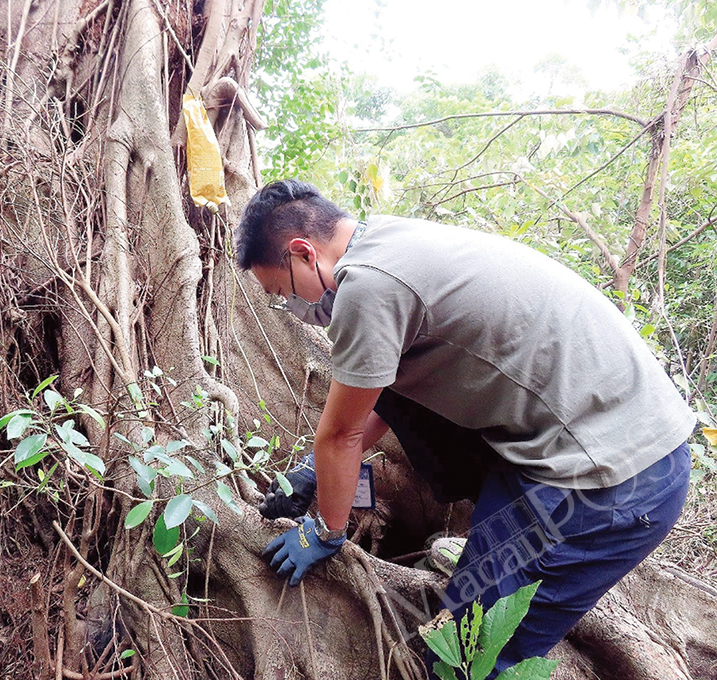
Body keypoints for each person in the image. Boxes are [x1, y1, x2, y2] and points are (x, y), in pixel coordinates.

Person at [234, 179, 696, 677]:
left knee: (464, 653)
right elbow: (389, 392)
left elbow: (340, 435)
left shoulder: (367, 287)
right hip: (612, 439)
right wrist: (314, 473)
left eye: (282, 292)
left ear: (302, 253)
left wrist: (326, 529)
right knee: (466, 625)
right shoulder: (390, 239)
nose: (292, 308)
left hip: (604, 481)